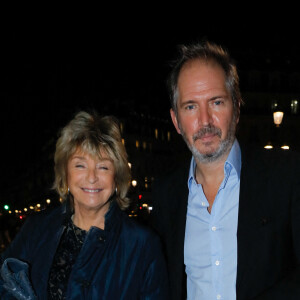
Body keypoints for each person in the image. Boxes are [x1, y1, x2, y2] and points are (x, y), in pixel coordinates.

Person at [150, 40, 300, 300]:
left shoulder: (287, 176)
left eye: (216, 102)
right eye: (190, 107)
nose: (205, 121)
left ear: (237, 107)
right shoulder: (166, 195)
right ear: (176, 120)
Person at [0, 110, 169, 299]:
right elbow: (5, 285)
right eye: (80, 165)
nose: (91, 178)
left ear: (117, 177)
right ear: (65, 173)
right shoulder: (36, 228)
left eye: (103, 167)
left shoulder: (143, 245)